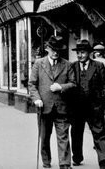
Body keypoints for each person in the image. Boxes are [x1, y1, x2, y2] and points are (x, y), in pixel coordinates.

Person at [28, 35, 75, 169]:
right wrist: (36, 98)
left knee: (63, 136)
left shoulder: (67, 64)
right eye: (53, 49)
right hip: (44, 106)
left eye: (58, 50)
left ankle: (65, 164)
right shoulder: (39, 63)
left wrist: (61, 87)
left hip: (62, 106)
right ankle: (46, 161)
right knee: (44, 137)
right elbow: (32, 84)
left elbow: (73, 83)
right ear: (47, 49)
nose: (55, 53)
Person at [70, 40, 105, 169]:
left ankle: (104, 160)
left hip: (95, 106)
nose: (80, 55)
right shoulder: (73, 66)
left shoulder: (98, 66)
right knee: (76, 133)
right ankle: (77, 157)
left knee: (99, 132)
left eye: (82, 52)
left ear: (89, 53)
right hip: (77, 107)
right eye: (78, 53)